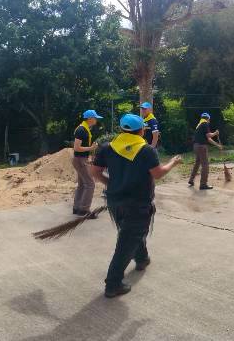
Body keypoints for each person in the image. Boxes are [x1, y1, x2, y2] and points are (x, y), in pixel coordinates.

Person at [91, 114, 182, 298]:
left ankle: (141, 258)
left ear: (122, 130)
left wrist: (111, 184)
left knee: (130, 233)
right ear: (141, 131)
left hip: (115, 202)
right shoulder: (146, 150)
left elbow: (95, 172)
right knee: (126, 242)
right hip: (138, 204)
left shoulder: (107, 148)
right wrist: (173, 162)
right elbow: (157, 174)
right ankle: (113, 284)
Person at [72, 110, 103, 216]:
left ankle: (77, 208)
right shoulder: (81, 130)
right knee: (90, 184)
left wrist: (90, 150)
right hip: (80, 159)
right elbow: (76, 148)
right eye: (95, 118)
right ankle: (84, 210)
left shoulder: (85, 129)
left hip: (81, 159)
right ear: (90, 118)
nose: (96, 120)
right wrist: (91, 148)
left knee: (82, 184)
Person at [188, 112, 223, 190]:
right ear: (208, 119)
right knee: (205, 165)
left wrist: (217, 145)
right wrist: (215, 133)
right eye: (209, 120)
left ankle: (191, 180)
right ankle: (203, 184)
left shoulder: (199, 125)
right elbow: (209, 135)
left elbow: (208, 139)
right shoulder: (205, 124)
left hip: (196, 146)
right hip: (201, 146)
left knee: (197, 163)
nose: (209, 121)